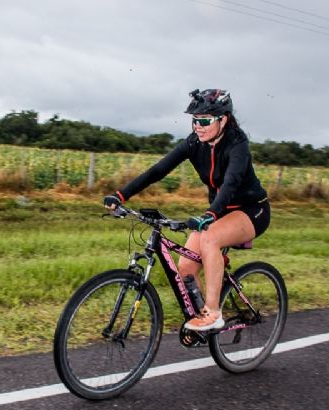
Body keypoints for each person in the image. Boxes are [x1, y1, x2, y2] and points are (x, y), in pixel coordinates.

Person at [103, 89, 270, 331]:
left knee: (210, 238)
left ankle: (213, 314)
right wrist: (121, 195)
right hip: (219, 211)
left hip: (252, 210)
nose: (197, 126)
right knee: (186, 268)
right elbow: (158, 171)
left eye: (204, 121)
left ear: (223, 119)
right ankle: (202, 319)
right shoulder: (195, 142)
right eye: (194, 120)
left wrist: (210, 215)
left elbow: (231, 182)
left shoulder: (238, 143)